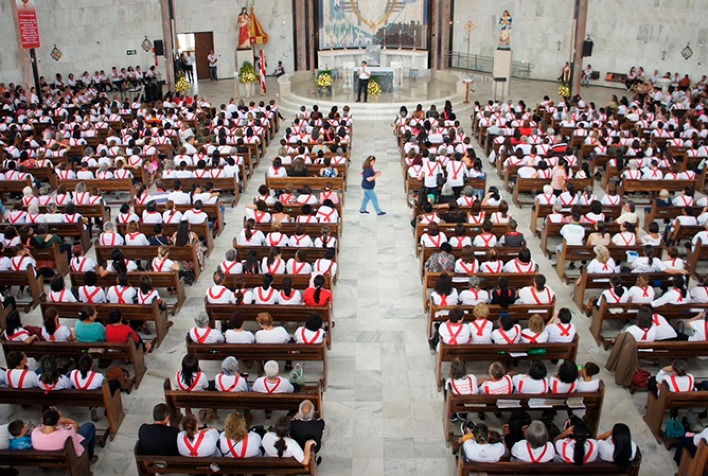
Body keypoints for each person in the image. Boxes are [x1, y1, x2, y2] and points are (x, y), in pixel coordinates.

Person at [31, 407, 97, 464]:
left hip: (46, 459)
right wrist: (60, 418)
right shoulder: (66, 432)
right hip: (71, 456)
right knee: (89, 426)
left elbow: (42, 427)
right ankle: (90, 458)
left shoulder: (34, 432)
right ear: (57, 421)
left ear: (42, 419)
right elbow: (75, 424)